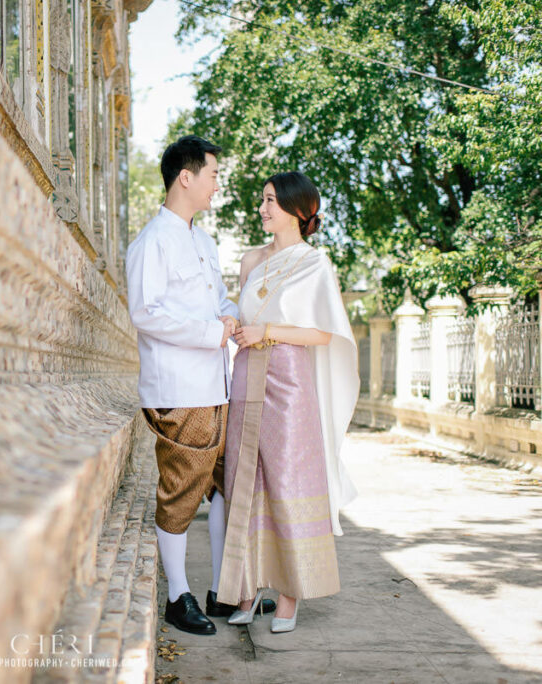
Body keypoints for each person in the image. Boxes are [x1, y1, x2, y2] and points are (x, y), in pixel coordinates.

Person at [125, 135, 274, 635]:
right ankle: (177, 595)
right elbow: (146, 314)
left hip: (217, 385)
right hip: (179, 389)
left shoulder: (204, 242)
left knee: (225, 486)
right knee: (181, 491)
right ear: (184, 177)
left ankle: (222, 590)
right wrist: (213, 332)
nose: (217, 186)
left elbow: (217, 303)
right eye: (212, 175)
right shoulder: (152, 241)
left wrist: (233, 319)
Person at [215, 171, 358, 634]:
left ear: (299, 210)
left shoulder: (314, 264)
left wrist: (268, 332)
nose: (263, 208)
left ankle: (290, 596)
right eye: (263, 200)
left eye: (272, 201)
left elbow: (322, 333)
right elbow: (242, 309)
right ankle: (248, 588)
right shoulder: (251, 259)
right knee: (244, 477)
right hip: (247, 373)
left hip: (290, 379)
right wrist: (232, 321)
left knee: (287, 478)